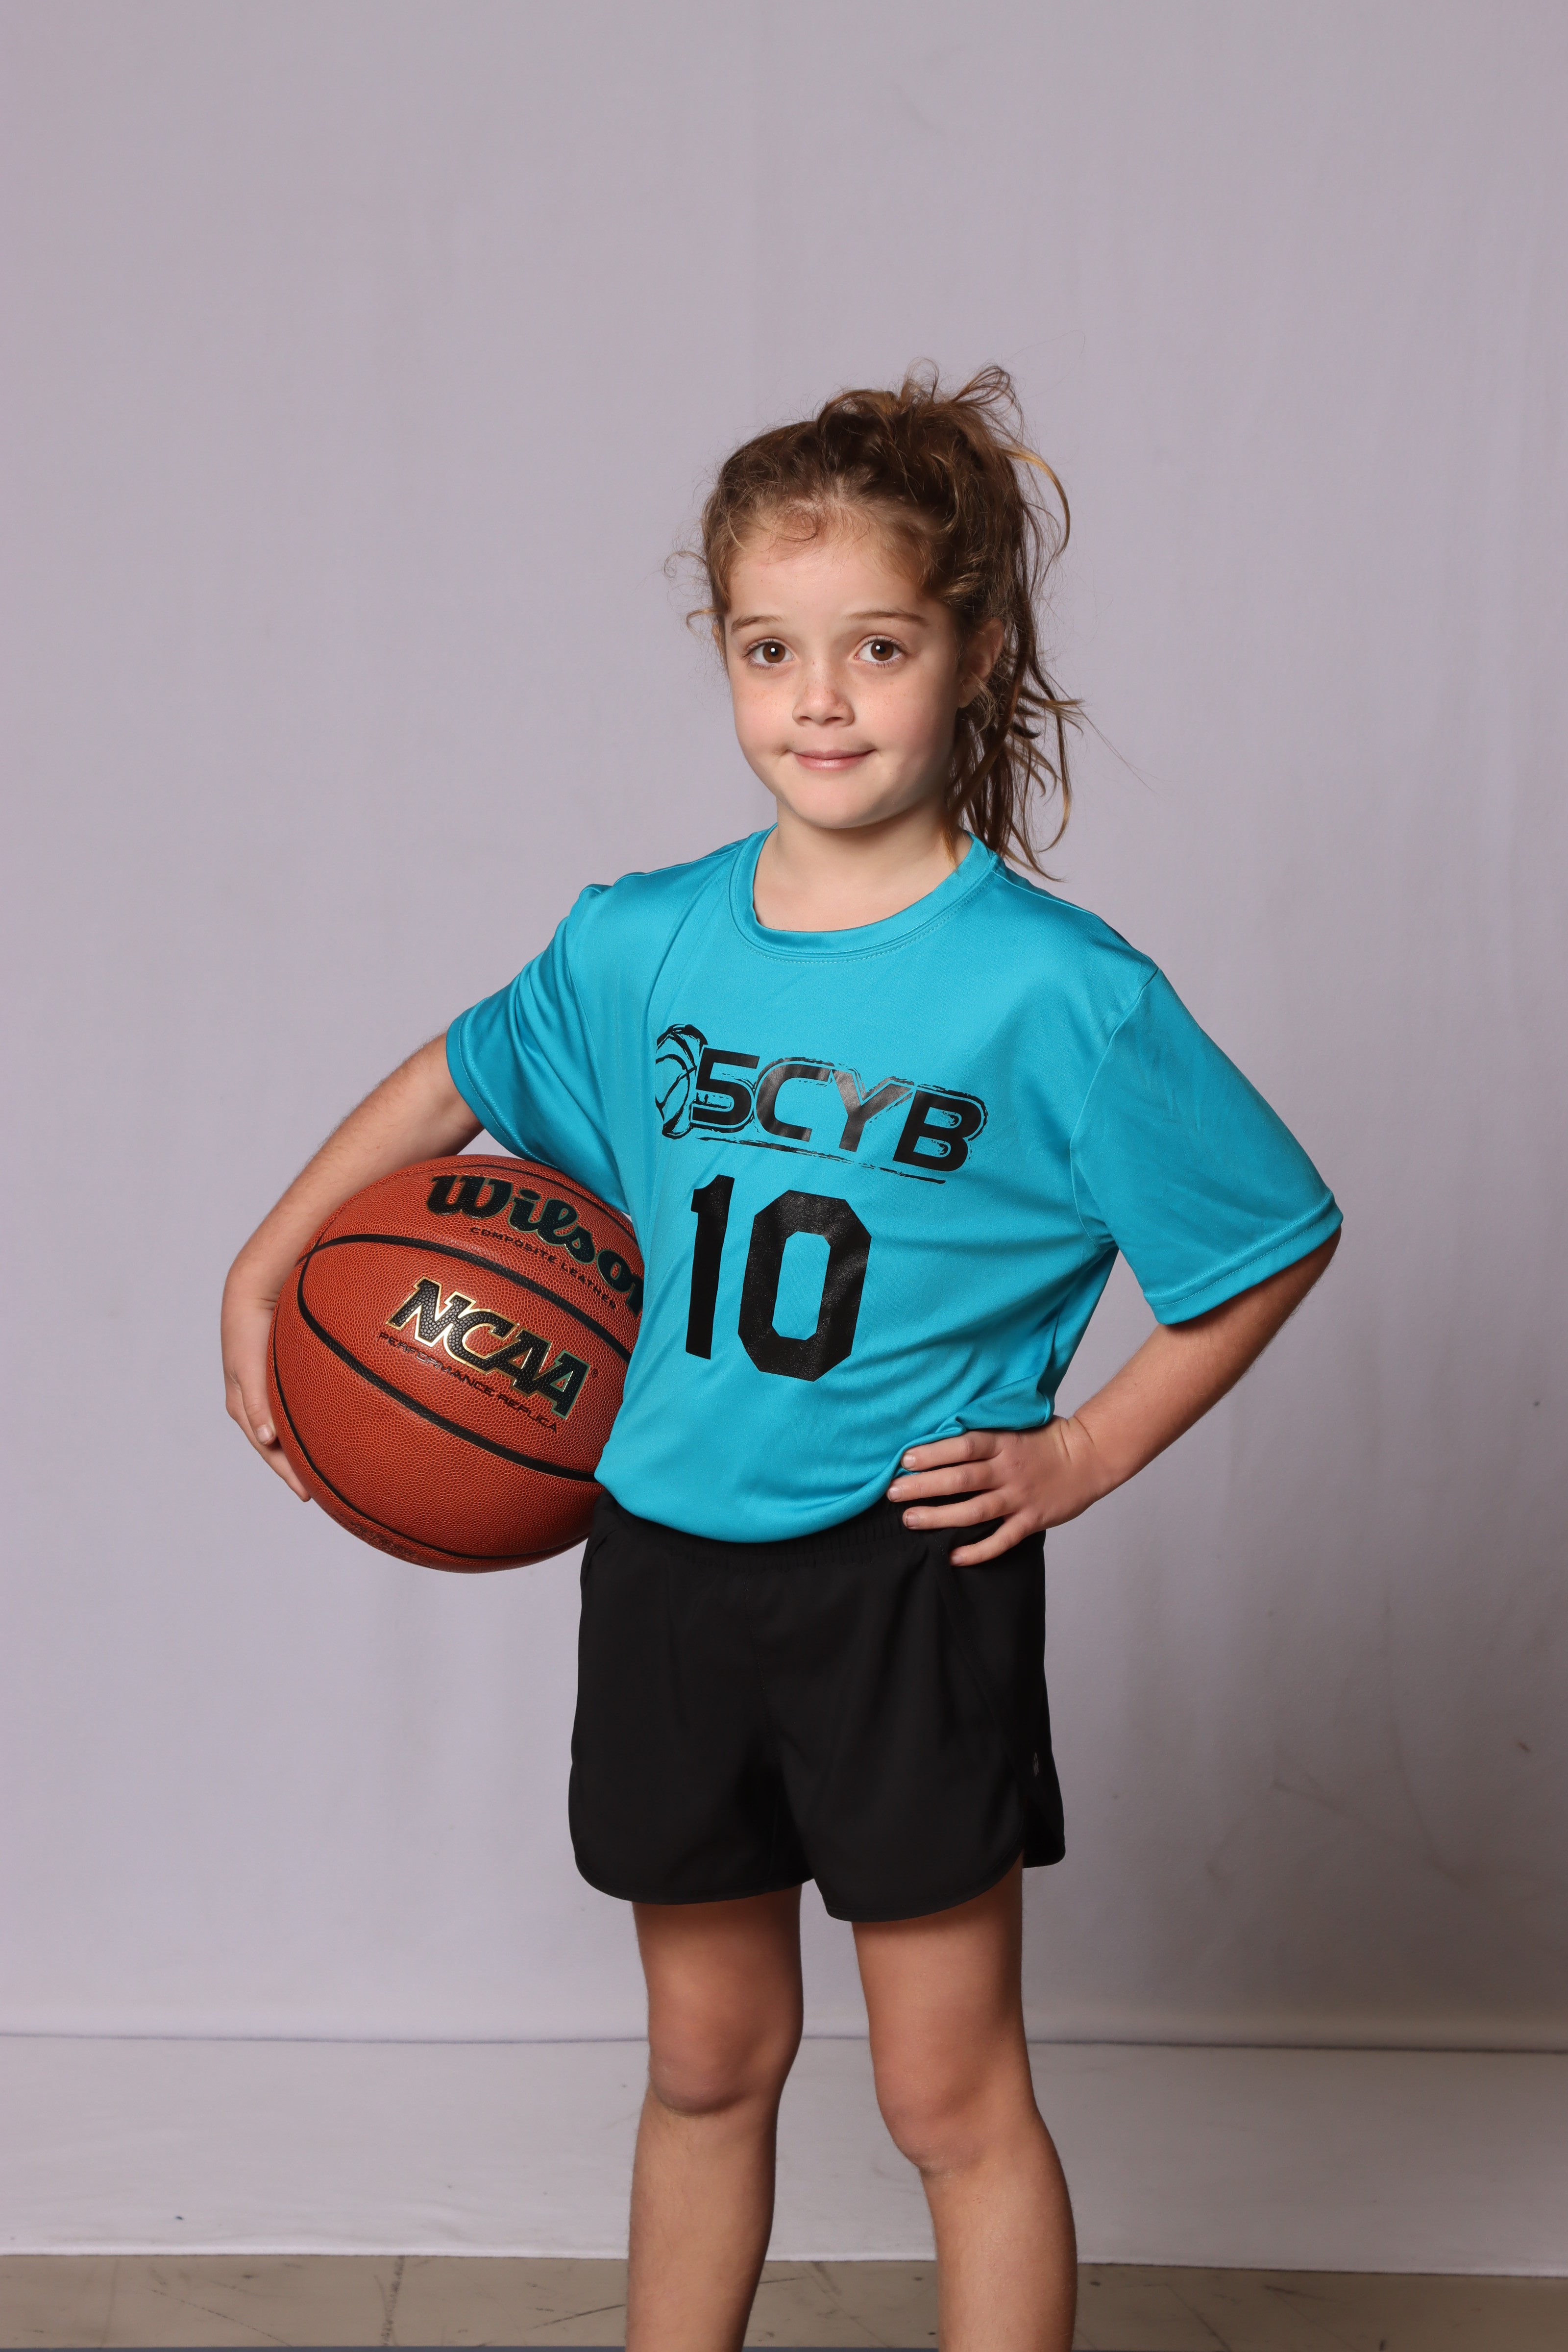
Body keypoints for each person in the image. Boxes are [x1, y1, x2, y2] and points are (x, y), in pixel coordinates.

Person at [222, 368, 1341, 2352]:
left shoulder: (1055, 988)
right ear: (724, 657)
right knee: (703, 2066)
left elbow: (1266, 1236)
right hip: (664, 1562)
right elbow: (463, 1073)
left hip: (904, 1578)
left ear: (972, 653)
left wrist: (1084, 1452)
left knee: (944, 2097)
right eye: (769, 649)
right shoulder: (643, 939)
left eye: (876, 648)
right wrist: (272, 1256)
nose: (819, 700)